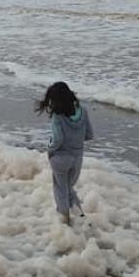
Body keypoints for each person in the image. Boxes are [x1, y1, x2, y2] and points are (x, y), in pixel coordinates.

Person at [37, 82, 94, 225]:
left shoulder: (58, 117)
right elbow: (89, 135)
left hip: (61, 158)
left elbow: (57, 139)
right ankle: (80, 216)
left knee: (60, 190)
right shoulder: (83, 111)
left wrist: (49, 150)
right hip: (77, 158)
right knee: (69, 188)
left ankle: (64, 220)